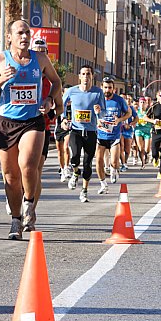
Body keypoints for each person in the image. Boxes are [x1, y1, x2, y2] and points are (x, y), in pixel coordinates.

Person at [0, 20, 62, 239]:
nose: (24, 37)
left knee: (28, 166)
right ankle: (15, 220)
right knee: (10, 176)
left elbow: (56, 82)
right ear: (10, 37)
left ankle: (29, 205)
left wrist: (48, 99)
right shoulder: (0, 60)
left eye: (27, 32)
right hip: (6, 123)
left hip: (32, 120)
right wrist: (1, 79)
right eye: (20, 33)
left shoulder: (40, 59)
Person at [62, 65, 106, 202]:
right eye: (83, 74)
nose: (86, 76)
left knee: (87, 163)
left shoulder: (98, 93)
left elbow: (104, 112)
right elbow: (62, 107)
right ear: (79, 76)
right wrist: (63, 119)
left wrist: (99, 112)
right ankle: (75, 172)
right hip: (75, 129)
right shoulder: (71, 91)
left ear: (92, 76)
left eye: (88, 74)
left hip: (91, 131)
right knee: (74, 156)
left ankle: (84, 191)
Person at [30, 38, 57, 208]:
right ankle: (15, 197)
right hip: (19, 126)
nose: (40, 54)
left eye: (43, 51)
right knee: (17, 171)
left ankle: (31, 207)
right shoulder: (23, 73)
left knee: (36, 171)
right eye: (36, 51)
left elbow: (60, 106)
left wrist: (51, 109)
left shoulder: (51, 81)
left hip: (42, 128)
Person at [95, 78, 132, 194]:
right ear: (102, 88)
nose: (107, 90)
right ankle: (103, 184)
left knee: (115, 162)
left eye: (110, 88)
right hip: (101, 135)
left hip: (114, 136)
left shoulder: (119, 100)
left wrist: (120, 120)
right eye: (105, 87)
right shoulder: (97, 100)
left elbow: (129, 113)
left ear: (113, 89)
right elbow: (89, 114)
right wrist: (96, 116)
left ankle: (114, 169)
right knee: (98, 161)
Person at [120, 94, 138, 171]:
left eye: (125, 99)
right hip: (119, 130)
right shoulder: (117, 107)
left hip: (128, 131)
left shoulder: (130, 108)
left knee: (127, 149)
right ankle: (123, 163)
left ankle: (125, 162)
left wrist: (130, 124)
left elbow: (136, 118)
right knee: (121, 147)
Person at [134, 96, 152, 169]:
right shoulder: (136, 112)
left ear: (146, 104)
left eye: (143, 102)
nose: (142, 104)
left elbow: (152, 120)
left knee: (147, 149)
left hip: (147, 130)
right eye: (141, 102)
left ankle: (147, 155)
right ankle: (142, 163)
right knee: (141, 148)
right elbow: (133, 119)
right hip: (138, 130)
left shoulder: (149, 112)